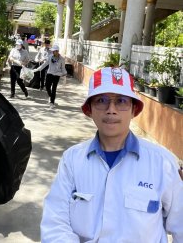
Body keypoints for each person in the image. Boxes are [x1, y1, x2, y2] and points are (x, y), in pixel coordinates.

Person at [40, 67, 183, 242]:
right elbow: (55, 222)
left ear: (133, 110)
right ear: (90, 109)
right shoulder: (72, 160)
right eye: (101, 100)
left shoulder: (163, 163)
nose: (111, 110)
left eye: (121, 101)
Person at [36, 44, 66, 108]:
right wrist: (38, 69)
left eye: (54, 51)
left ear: (57, 51)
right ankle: (50, 96)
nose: (52, 52)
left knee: (54, 88)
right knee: (47, 86)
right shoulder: (50, 56)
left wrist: (64, 74)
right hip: (49, 73)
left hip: (57, 75)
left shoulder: (62, 59)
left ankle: (52, 102)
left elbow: (63, 68)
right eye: (52, 51)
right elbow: (45, 64)